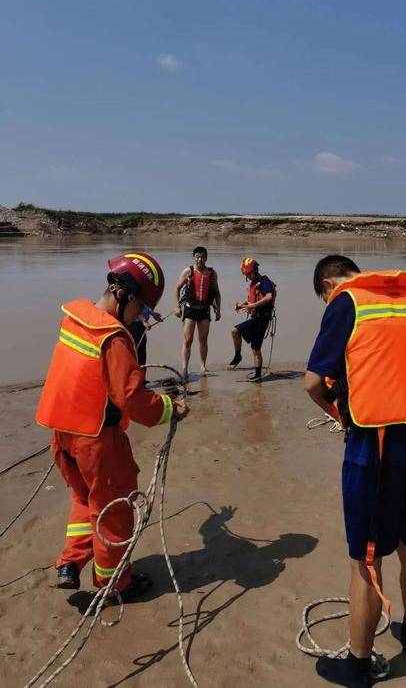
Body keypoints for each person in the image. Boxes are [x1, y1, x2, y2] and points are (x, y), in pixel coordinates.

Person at [305, 255, 406, 688]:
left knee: (365, 560)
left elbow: (312, 381)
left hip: (371, 446)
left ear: (329, 283)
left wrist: (340, 415)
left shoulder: (346, 303)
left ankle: (358, 668)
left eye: (324, 296)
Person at [36, 252, 189, 599]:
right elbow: (133, 398)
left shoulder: (75, 317)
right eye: (143, 309)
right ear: (124, 296)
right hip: (97, 443)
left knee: (83, 498)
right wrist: (170, 408)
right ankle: (114, 584)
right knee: (113, 510)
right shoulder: (115, 338)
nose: (142, 317)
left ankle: (69, 564)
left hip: (62, 435)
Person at [173, 246, 221, 380]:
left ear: (206, 258)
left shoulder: (212, 273)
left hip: (205, 309)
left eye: (202, 257)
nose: (200, 259)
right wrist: (177, 306)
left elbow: (217, 293)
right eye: (198, 256)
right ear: (194, 257)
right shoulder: (188, 271)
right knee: (188, 340)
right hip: (190, 309)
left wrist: (218, 310)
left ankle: (202, 366)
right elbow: (176, 288)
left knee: (203, 340)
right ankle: (184, 368)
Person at [229, 258, 275, 383]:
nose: (248, 277)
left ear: (255, 270)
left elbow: (269, 297)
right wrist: (242, 305)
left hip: (262, 319)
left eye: (249, 274)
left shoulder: (264, 282)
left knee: (235, 331)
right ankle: (258, 376)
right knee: (256, 348)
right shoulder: (254, 283)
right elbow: (251, 300)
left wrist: (253, 306)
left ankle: (238, 356)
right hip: (257, 318)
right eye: (246, 275)